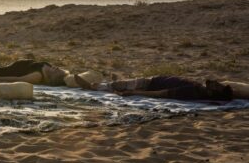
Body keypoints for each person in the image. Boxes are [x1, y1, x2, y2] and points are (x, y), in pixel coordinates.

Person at [75, 75, 233, 102]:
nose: (215, 82)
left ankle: (91, 87)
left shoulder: (192, 92)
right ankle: (104, 85)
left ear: (213, 92)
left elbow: (163, 94)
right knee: (120, 83)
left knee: (118, 85)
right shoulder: (199, 89)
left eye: (217, 86)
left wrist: (135, 93)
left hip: (149, 84)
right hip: (154, 80)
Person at [0, 59, 68, 86]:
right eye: (59, 68)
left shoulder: (37, 76)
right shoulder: (49, 67)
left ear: (53, 76)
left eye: (57, 70)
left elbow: (18, 80)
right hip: (14, 66)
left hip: (11, 72)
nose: (57, 67)